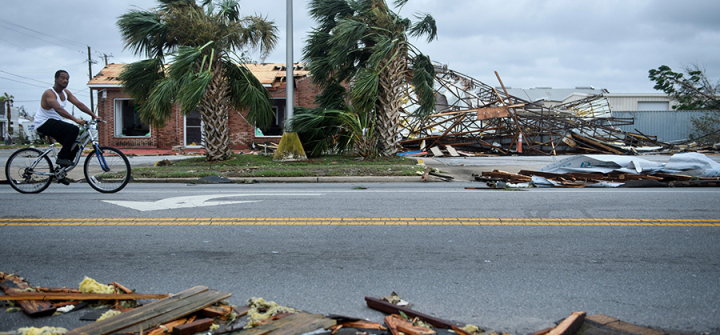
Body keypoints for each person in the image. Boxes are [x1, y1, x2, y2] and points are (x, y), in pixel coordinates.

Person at [34, 70, 100, 168]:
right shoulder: (49, 93)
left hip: (55, 122)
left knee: (74, 148)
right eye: (62, 78)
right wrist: (76, 120)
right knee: (73, 129)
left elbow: (79, 104)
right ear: (56, 79)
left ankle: (60, 172)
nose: (65, 81)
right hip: (43, 123)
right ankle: (61, 157)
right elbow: (58, 109)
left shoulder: (66, 93)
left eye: (67, 79)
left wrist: (93, 115)